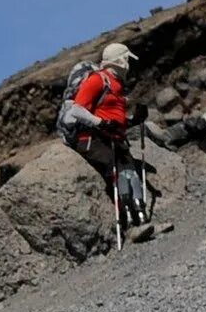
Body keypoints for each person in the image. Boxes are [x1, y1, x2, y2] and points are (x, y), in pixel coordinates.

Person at [55, 41, 152, 231]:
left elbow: (115, 119)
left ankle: (139, 213)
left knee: (129, 174)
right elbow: (77, 110)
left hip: (113, 138)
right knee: (116, 171)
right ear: (121, 61)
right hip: (94, 139)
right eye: (127, 60)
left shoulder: (115, 86)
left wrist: (133, 120)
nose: (129, 66)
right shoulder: (98, 79)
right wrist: (100, 123)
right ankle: (130, 224)